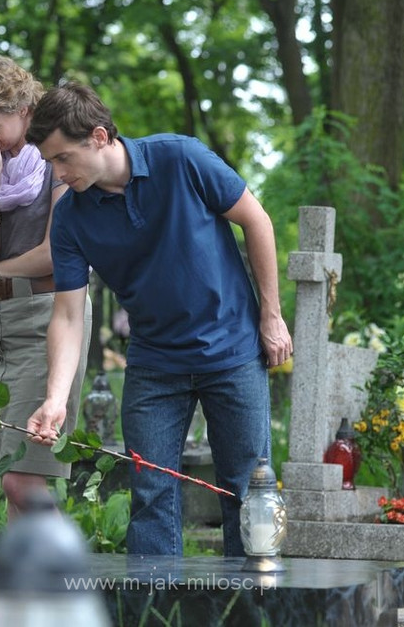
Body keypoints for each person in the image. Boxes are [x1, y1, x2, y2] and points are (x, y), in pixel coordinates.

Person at [24, 82, 292, 556]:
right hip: (154, 364)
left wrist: (271, 317)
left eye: (63, 158)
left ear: (100, 136)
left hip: (231, 350)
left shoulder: (181, 159)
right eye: (50, 164)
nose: (57, 174)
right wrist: (55, 399)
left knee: (246, 492)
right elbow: (67, 316)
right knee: (149, 495)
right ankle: (156, 611)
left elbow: (257, 220)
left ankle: (252, 612)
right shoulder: (69, 218)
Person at [0, 54, 92, 521]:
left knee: (24, 477)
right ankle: (24, 586)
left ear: (23, 111)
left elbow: (55, 252)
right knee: (9, 473)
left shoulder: (57, 157)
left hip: (48, 315)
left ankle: (60, 576)